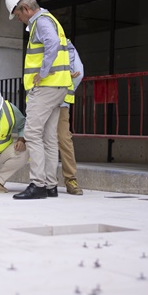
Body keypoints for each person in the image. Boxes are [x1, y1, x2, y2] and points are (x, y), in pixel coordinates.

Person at [5, 0, 74, 199]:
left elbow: (52, 43)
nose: (19, 19)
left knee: (33, 134)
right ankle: (51, 185)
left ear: (25, 9)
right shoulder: (50, 19)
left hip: (46, 87)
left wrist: (42, 73)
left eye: (18, 15)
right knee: (49, 137)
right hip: (59, 86)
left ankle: (38, 184)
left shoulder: (41, 21)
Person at [57, 39, 84, 196]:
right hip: (46, 101)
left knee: (63, 139)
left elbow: (78, 73)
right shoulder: (40, 43)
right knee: (59, 139)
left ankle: (70, 179)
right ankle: (45, 181)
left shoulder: (66, 46)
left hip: (58, 102)